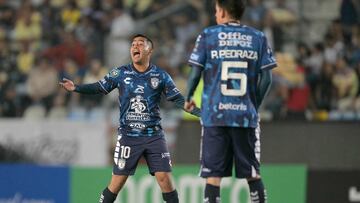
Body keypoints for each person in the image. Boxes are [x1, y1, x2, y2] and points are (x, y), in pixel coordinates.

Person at [60, 34, 200, 203]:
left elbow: (179, 100)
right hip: (128, 137)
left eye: (141, 44)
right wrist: (76, 87)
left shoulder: (160, 76)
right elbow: (99, 87)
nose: (135, 46)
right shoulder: (120, 73)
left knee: (165, 179)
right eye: (133, 44)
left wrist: (201, 113)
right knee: (117, 183)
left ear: (150, 50)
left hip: (154, 136)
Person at [184, 1, 277, 203]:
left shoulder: (208, 35)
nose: (216, 14)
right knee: (252, 173)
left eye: (217, 10)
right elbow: (267, 79)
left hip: (215, 116)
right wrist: (253, 104)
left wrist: (189, 96)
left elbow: (194, 73)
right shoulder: (258, 37)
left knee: (213, 176)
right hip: (245, 116)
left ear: (223, 11)